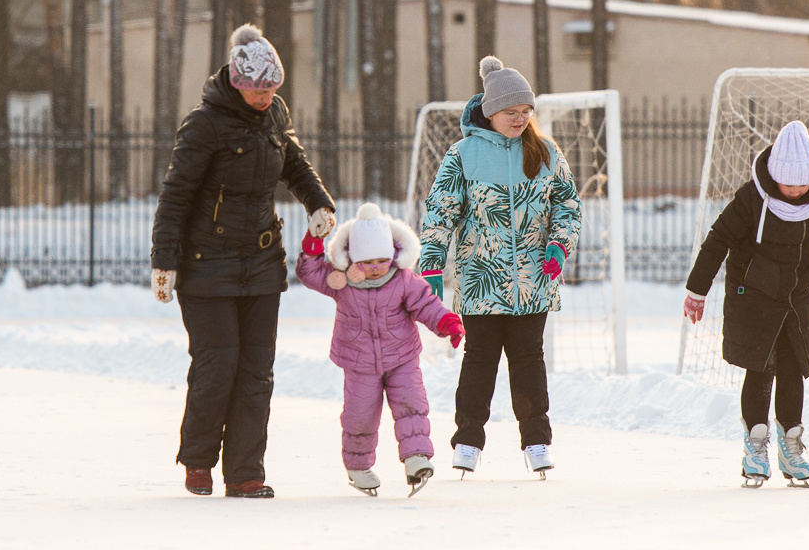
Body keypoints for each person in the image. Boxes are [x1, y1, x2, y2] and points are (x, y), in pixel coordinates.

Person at [151, 24, 335, 499]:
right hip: (205, 263)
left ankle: (245, 471)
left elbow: (293, 162)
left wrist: (318, 202)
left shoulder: (274, 115)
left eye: (272, 89)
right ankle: (198, 461)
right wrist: (163, 260)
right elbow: (176, 195)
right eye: (257, 89)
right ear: (237, 82)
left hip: (259, 260)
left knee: (256, 370)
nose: (265, 97)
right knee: (218, 364)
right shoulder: (204, 125)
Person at [417, 56, 580, 480]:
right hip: (479, 281)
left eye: (526, 112)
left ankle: (536, 441)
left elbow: (567, 204)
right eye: (512, 113)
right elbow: (440, 213)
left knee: (529, 361)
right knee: (480, 361)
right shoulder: (463, 155)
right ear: (491, 112)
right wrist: (432, 265)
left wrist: (559, 246)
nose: (520, 119)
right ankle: (468, 441)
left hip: (532, 283)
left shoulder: (544, 152)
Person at [683, 120, 809, 487]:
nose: (798, 191)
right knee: (759, 369)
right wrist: (697, 291)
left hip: (796, 299)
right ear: (774, 175)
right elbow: (717, 240)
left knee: (793, 369)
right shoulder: (751, 199)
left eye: (804, 183)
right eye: (790, 183)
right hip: (752, 297)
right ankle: (755, 445)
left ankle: (791, 445)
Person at [296, 203, 464, 496]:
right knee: (360, 416)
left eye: (382, 260)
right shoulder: (342, 281)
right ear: (354, 260)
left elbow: (426, 304)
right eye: (367, 262)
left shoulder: (403, 279)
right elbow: (310, 272)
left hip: (401, 358)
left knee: (411, 404)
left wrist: (447, 322)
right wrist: (313, 242)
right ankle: (359, 467)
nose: (375, 268)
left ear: (393, 255)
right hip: (359, 362)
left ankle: (417, 459)